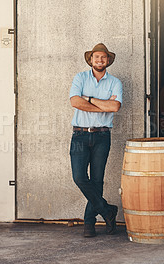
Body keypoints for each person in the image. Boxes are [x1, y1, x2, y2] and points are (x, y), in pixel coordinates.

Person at [69, 43, 123, 237]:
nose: (100, 60)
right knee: (79, 177)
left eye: (103, 57)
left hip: (102, 135)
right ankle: (107, 210)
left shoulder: (115, 82)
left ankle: (89, 223)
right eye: (96, 57)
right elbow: (75, 101)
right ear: (90, 60)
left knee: (97, 180)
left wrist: (89, 100)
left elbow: (115, 107)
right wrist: (103, 106)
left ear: (108, 60)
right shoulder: (80, 78)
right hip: (80, 135)